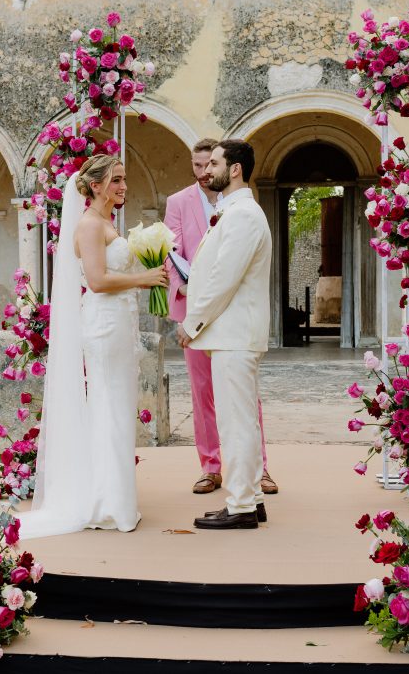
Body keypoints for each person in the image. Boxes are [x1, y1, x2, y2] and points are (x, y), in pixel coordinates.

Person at [17, 154, 168, 538]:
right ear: (96, 185)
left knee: (117, 406)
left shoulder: (106, 222)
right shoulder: (88, 224)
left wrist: (147, 273)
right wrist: (145, 278)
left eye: (124, 179)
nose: (123, 186)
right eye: (116, 180)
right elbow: (98, 281)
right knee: (109, 405)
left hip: (119, 321)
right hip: (103, 324)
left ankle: (115, 498)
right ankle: (107, 504)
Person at [164, 139, 278, 496]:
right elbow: (178, 256)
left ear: (234, 169)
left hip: (230, 328)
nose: (205, 172)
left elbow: (223, 278)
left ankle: (245, 496)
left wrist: (192, 322)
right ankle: (237, 489)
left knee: (239, 416)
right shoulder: (225, 209)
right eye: (201, 164)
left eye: (212, 164)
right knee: (225, 411)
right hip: (217, 324)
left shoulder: (242, 213)